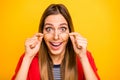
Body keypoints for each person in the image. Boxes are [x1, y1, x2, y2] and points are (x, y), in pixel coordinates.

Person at [12, 4, 100, 80]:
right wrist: (27, 58)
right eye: (49, 29)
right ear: (42, 32)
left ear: (70, 32)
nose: (56, 37)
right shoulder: (28, 57)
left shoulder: (85, 56)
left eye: (62, 29)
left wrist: (83, 58)